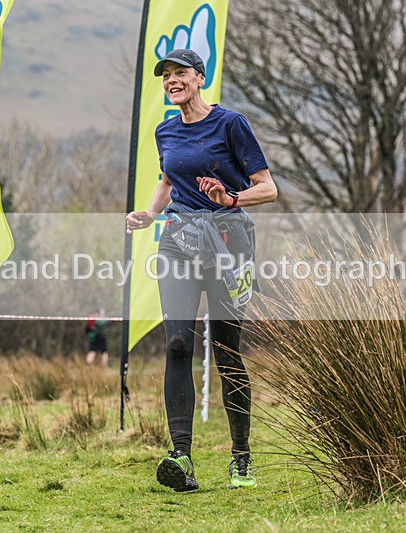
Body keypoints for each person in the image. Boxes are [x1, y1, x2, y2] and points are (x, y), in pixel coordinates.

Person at [125, 49, 277, 492]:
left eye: (180, 74)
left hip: (228, 243)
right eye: (166, 76)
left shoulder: (231, 124)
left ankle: (241, 458)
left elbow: (267, 189)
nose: (172, 81)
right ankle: (182, 457)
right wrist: (151, 215)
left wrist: (230, 198)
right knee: (176, 344)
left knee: (226, 351)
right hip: (178, 240)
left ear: (199, 78)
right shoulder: (165, 130)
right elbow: (170, 180)